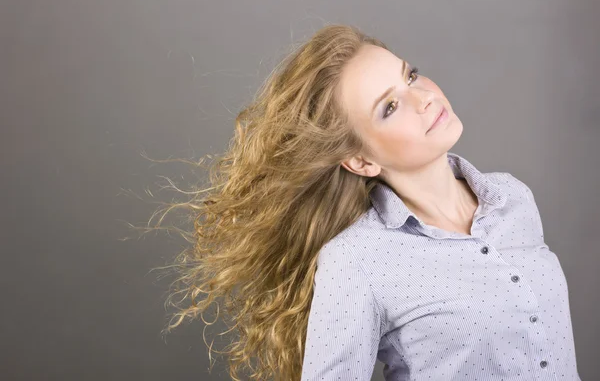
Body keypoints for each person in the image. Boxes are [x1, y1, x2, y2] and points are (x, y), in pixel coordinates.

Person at [145, 24, 580, 381]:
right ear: (360, 159)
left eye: (410, 76)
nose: (424, 97)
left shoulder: (513, 198)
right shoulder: (358, 261)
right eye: (390, 107)